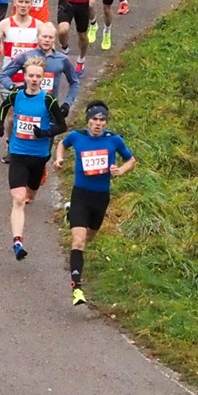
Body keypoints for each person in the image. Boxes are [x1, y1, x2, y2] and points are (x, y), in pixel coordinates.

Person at [52, 100, 136, 306]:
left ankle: (71, 215)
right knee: (78, 241)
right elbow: (62, 144)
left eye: (102, 120)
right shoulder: (77, 137)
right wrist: (59, 159)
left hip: (101, 197)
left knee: (90, 236)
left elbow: (131, 160)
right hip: (80, 195)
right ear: (88, 121)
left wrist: (120, 170)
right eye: (94, 119)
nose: (98, 123)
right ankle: (77, 288)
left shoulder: (114, 140)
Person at [0, 56, 70, 261]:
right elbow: (4, 106)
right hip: (18, 153)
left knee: (31, 194)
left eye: (38, 76)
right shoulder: (16, 94)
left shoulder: (48, 100)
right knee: (19, 199)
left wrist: (44, 133)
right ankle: (17, 242)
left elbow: (62, 126)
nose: (34, 80)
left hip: (38, 156)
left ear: (43, 78)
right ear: (25, 76)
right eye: (31, 76)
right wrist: (0, 124)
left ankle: (39, 177)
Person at [0, 21, 80, 111]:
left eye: (51, 37)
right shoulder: (25, 56)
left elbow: (74, 83)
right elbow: (3, 75)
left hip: (49, 107)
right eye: (44, 36)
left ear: (54, 40)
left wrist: (67, 104)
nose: (47, 40)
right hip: (27, 105)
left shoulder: (62, 59)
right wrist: (13, 87)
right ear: (37, 37)